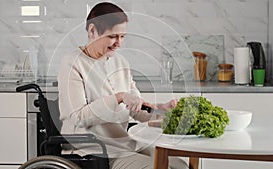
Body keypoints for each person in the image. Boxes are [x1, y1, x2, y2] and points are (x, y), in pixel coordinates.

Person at [58, 2, 188, 169]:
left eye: (122, 36)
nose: (119, 43)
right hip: (93, 149)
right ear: (92, 31)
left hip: (124, 144)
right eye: (113, 36)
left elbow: (137, 109)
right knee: (158, 167)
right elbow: (79, 117)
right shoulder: (72, 63)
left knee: (180, 165)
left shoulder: (120, 62)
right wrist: (118, 97)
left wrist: (161, 110)